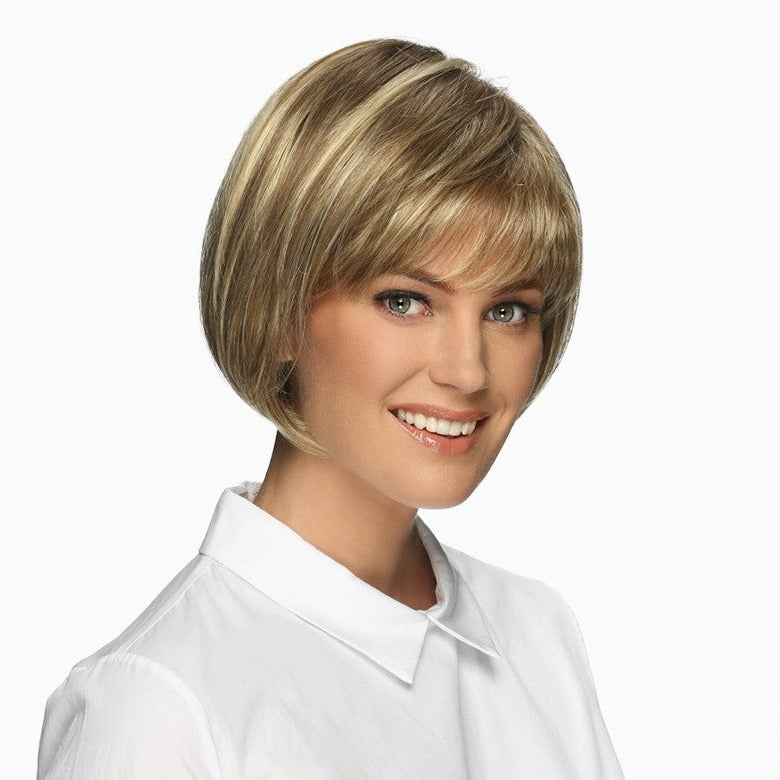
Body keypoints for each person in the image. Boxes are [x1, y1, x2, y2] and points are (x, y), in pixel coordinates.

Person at [38, 39, 624, 778]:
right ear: (277, 310)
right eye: (405, 301)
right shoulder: (161, 704)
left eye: (508, 310)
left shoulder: (536, 635)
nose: (467, 370)